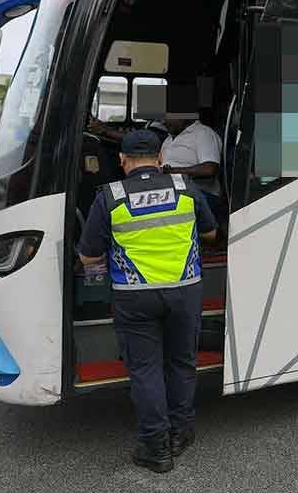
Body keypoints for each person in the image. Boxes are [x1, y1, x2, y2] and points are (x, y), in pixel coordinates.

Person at [76, 129, 217, 473]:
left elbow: (88, 256)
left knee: (146, 369)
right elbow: (211, 233)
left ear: (122, 160)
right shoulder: (186, 188)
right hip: (185, 291)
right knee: (182, 363)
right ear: (160, 159)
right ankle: (181, 433)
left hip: (135, 296)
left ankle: (156, 448)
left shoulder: (110, 196)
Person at [159, 112, 225, 226]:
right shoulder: (168, 140)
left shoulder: (203, 134)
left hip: (202, 195)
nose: (163, 122)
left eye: (168, 118)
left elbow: (209, 169)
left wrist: (172, 172)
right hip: (173, 194)